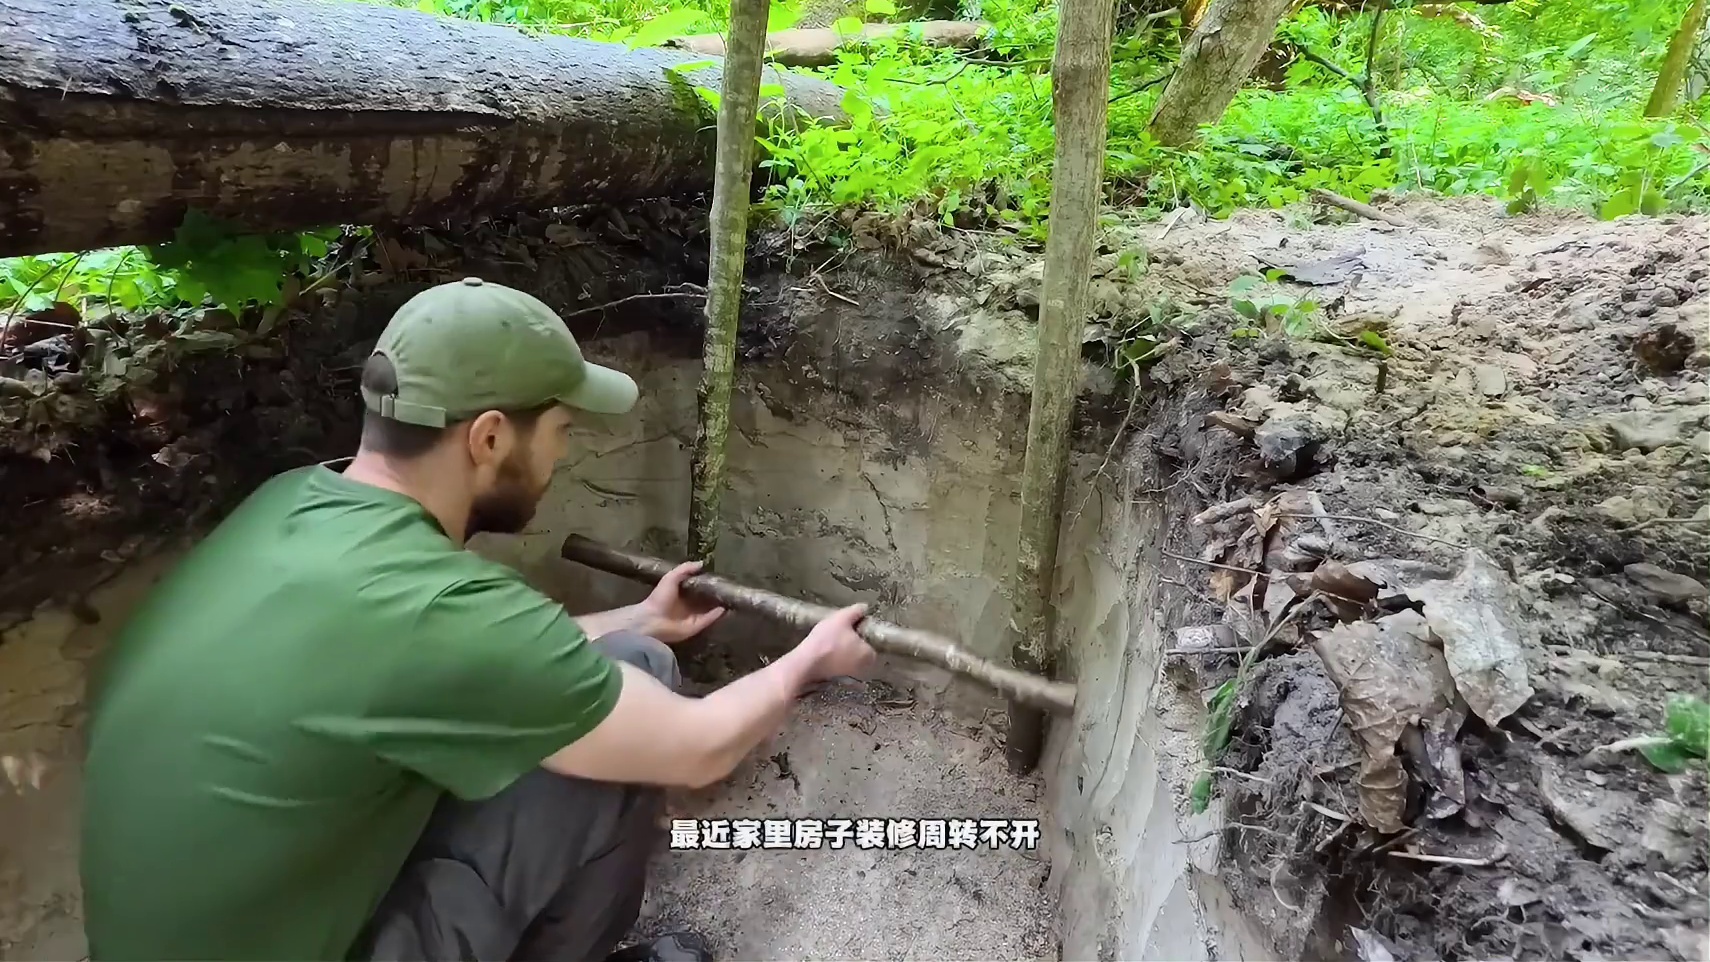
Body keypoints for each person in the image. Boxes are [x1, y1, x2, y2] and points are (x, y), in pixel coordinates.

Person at [78, 276, 878, 962]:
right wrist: (808, 660)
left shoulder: (293, 505)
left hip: (247, 924)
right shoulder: (424, 603)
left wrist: (637, 615)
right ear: (490, 437)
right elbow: (697, 748)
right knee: (633, 698)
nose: (561, 455)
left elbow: (455, 661)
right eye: (561, 431)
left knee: (632, 654)